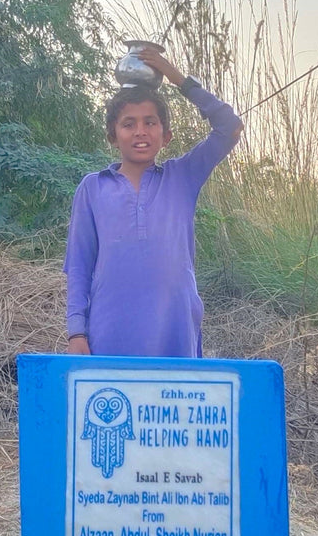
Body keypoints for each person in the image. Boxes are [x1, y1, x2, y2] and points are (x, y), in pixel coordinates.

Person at [64, 47, 243, 357]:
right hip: (110, 332)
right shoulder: (93, 188)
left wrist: (178, 79)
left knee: (175, 405)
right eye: (128, 124)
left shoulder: (183, 177)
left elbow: (230, 127)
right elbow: (79, 266)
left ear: (167, 135)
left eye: (150, 122)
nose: (140, 132)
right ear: (112, 134)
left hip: (175, 329)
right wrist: (76, 333)